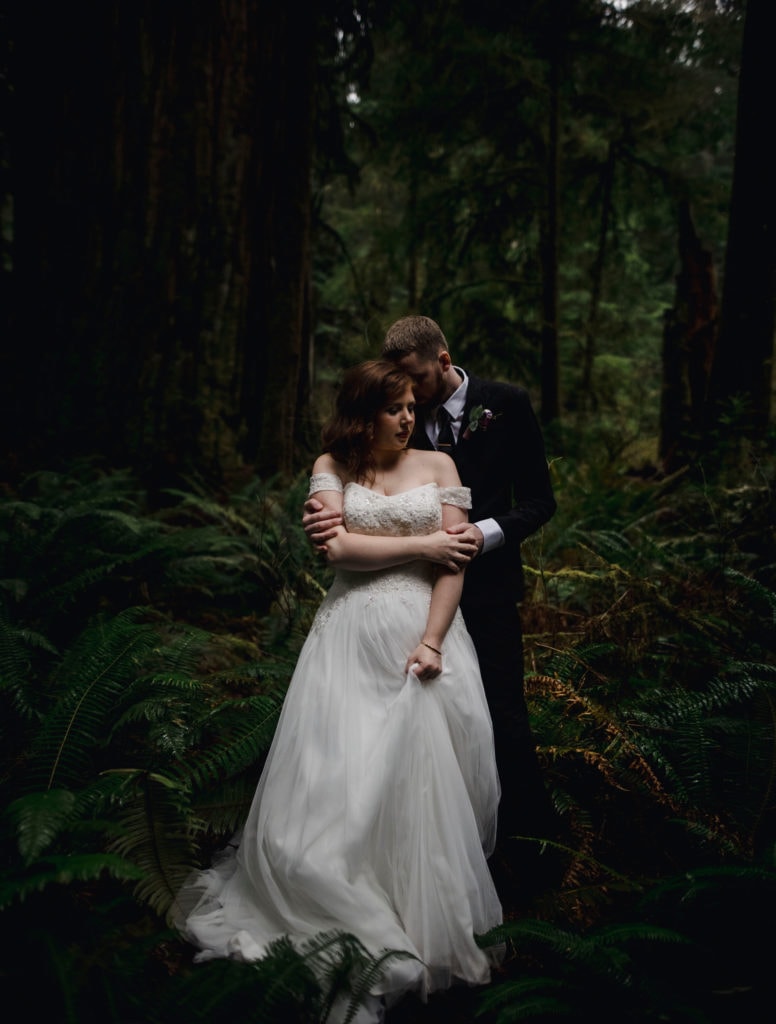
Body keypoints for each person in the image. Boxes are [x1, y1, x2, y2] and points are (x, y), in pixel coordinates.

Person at [175, 360, 502, 1021]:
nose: (409, 418)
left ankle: (420, 914)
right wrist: (425, 544)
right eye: (394, 408)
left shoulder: (440, 468)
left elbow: (455, 565)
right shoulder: (332, 465)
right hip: (349, 637)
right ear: (363, 413)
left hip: (423, 636)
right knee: (341, 776)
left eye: (413, 406)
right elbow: (339, 556)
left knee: (419, 779)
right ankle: (340, 901)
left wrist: (433, 641)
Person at [304, 317, 558, 896]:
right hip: (396, 598)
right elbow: (362, 488)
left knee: (500, 722)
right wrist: (322, 514)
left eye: (416, 381)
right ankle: (414, 859)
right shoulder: (394, 422)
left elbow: (540, 500)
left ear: (442, 360)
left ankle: (529, 859)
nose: (409, 400)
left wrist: (482, 535)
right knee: (398, 733)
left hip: (484, 589)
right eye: (399, 392)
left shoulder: (505, 404)